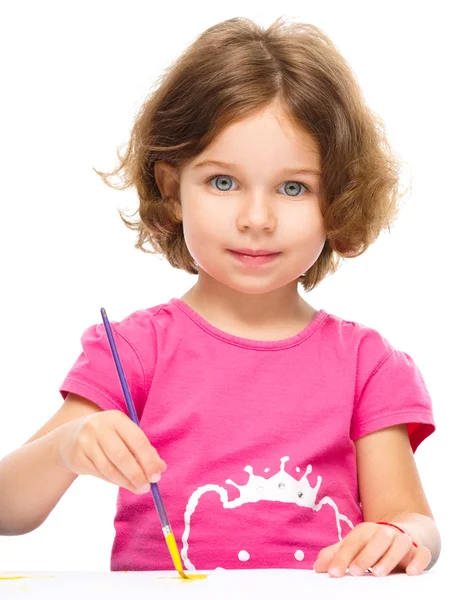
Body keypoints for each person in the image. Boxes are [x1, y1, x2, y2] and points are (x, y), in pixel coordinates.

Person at [0, 16, 440, 577]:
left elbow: (411, 519)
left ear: (339, 199)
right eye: (224, 182)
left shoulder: (366, 365)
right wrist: (68, 446)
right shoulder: (135, 352)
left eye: (293, 187)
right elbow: (7, 509)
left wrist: (400, 536)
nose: (257, 219)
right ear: (171, 188)